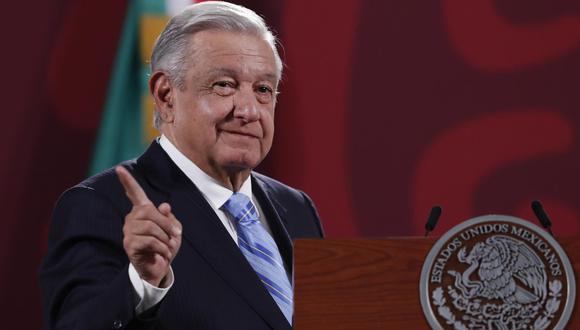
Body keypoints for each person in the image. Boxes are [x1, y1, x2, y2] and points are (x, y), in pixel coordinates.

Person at [39, 2, 324, 329]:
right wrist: (140, 283)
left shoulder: (297, 208)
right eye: (225, 85)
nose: (249, 110)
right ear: (165, 95)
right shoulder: (99, 205)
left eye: (262, 89)